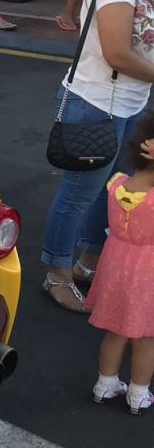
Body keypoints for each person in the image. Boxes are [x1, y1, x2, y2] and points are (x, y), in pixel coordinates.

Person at [41, 0, 154, 312]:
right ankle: (56, 273)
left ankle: (89, 262)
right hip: (94, 103)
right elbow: (117, 54)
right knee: (78, 194)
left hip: (133, 105)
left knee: (112, 191)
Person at [85, 114, 154, 415]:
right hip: (148, 273)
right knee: (146, 338)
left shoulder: (117, 185)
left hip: (116, 267)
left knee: (115, 331)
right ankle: (138, 394)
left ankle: (105, 384)